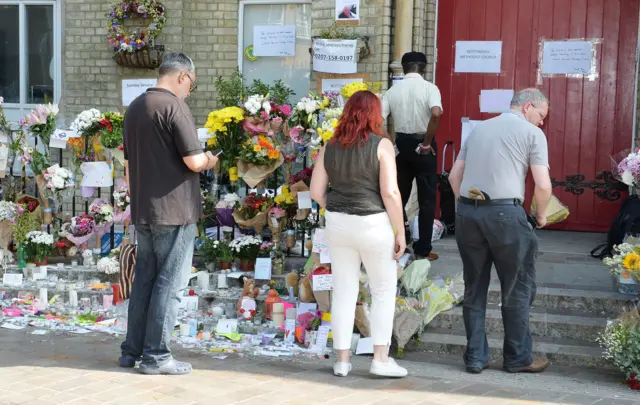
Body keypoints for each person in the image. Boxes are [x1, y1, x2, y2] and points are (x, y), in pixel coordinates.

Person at [119, 52, 218, 375]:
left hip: (144, 209)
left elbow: (129, 167)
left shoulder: (135, 107)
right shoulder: (174, 106)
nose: (190, 90)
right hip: (175, 210)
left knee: (144, 280)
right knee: (169, 284)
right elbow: (193, 160)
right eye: (192, 84)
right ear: (182, 77)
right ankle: (157, 356)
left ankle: (131, 351)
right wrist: (210, 160)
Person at [448, 88, 553, 375]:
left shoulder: (479, 130)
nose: (542, 122)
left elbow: (454, 176)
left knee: (474, 286)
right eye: (541, 115)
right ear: (528, 106)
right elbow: (543, 186)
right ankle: (518, 358)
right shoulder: (533, 134)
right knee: (517, 287)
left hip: (469, 213)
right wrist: (540, 216)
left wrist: (466, 206)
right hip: (507, 214)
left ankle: (475, 358)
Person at [310, 90, 408, 378]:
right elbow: (390, 192)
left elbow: (316, 192)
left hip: (338, 223)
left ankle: (341, 361)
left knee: (343, 291)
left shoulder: (330, 146)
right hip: (373, 223)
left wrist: (335, 208)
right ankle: (380, 359)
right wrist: (400, 231)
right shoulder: (382, 145)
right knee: (382, 290)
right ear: (375, 115)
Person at [382, 51, 443, 261]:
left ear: (403, 67)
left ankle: (394, 242)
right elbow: (436, 113)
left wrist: (390, 143)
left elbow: (379, 120)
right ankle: (423, 250)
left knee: (398, 195)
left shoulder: (393, 90)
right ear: (423, 68)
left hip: (401, 144)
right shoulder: (430, 88)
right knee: (427, 199)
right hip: (423, 144)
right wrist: (426, 143)